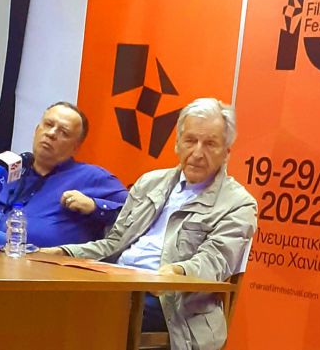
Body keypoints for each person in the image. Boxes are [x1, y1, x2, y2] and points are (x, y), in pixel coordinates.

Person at [41, 98, 257, 350]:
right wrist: (64, 252)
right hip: (119, 285)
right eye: (190, 141)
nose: (198, 153)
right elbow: (113, 243)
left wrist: (175, 272)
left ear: (227, 152)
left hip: (171, 306)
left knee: (86, 314)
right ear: (177, 143)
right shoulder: (150, 182)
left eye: (210, 144)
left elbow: (214, 262)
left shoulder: (238, 204)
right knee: (49, 300)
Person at [0, 101, 128, 247]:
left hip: (46, 262)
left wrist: (95, 206)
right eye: (48, 125)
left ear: (76, 148)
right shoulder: (9, 172)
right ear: (36, 130)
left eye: (64, 132)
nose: (51, 134)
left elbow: (134, 213)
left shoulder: (92, 177)